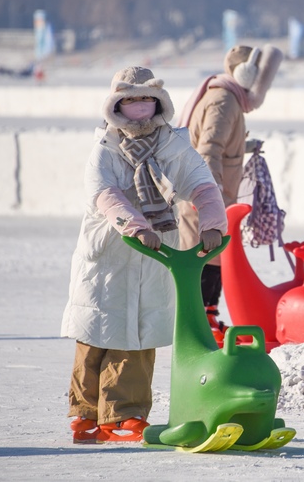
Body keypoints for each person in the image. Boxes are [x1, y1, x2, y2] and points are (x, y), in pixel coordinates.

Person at [61, 66, 228, 443]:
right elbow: (105, 195)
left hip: (155, 256)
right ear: (116, 105)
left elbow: (202, 184)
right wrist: (138, 226)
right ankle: (86, 414)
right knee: (97, 332)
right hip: (107, 254)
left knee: (139, 333)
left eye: (145, 99)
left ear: (158, 103)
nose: (138, 106)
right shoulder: (104, 149)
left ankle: (125, 415)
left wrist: (213, 222)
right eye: (130, 99)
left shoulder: (173, 146)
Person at [176, 44, 282, 337]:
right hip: (205, 197)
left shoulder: (227, 98)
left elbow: (219, 144)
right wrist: (208, 194)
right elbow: (209, 148)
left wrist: (243, 147)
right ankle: (200, 322)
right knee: (207, 258)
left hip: (212, 194)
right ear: (246, 74)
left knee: (214, 257)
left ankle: (207, 317)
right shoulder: (224, 101)